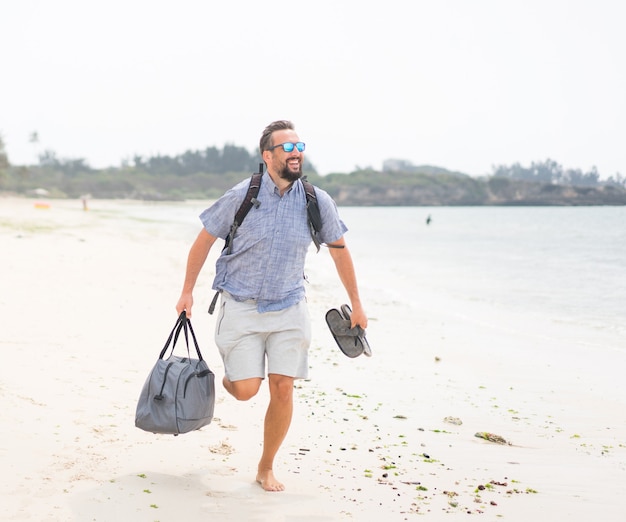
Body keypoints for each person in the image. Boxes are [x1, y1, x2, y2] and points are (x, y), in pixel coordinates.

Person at [175, 120, 367, 492]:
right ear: (268, 156)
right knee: (247, 390)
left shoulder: (316, 200)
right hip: (240, 304)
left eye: (300, 147)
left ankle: (266, 467)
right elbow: (203, 241)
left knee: (282, 388)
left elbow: (340, 251)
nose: (297, 154)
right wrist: (187, 291)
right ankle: (232, 377)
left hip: (290, 306)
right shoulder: (241, 195)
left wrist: (357, 303)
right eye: (288, 148)